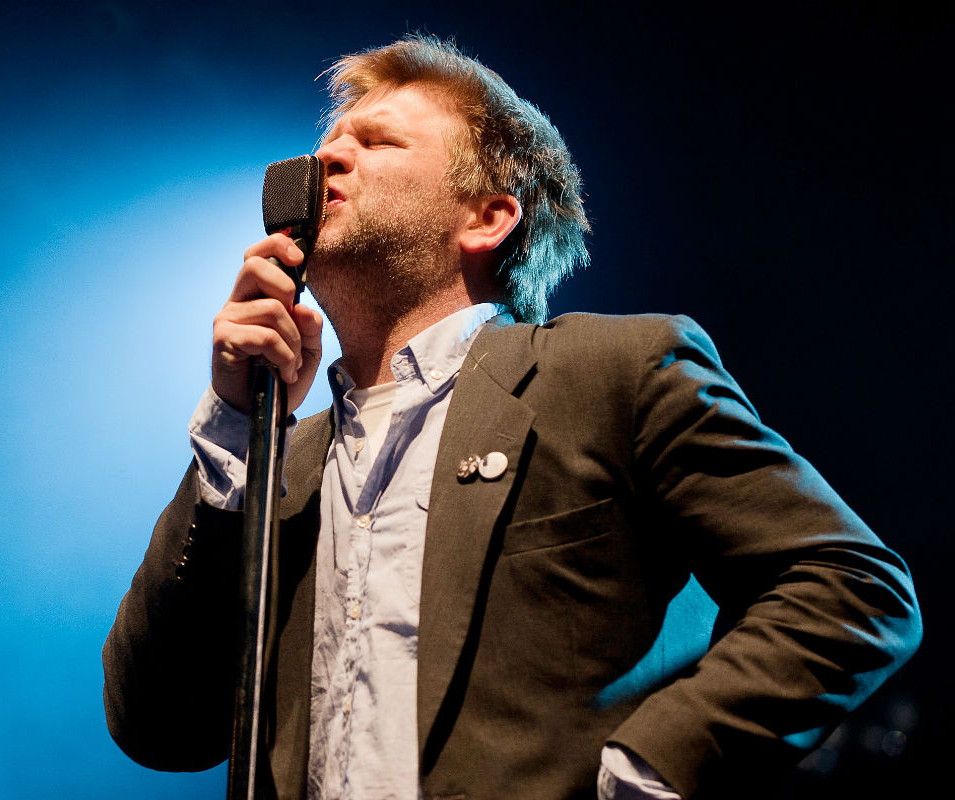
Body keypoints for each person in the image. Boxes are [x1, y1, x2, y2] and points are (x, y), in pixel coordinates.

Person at [103, 35, 921, 800]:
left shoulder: (612, 373)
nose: (327, 161)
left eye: (377, 141)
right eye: (329, 142)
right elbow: (157, 724)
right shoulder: (279, 466)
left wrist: (648, 769)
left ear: (488, 218)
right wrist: (232, 431)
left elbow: (854, 588)